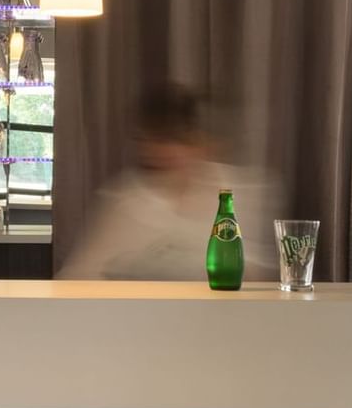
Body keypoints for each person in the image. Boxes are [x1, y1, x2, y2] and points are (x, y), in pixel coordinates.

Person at [60, 85, 281, 282]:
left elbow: (254, 273)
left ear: (201, 141)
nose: (160, 152)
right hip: (138, 315)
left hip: (223, 315)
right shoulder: (126, 198)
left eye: (173, 141)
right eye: (151, 141)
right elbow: (81, 274)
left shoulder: (242, 190)